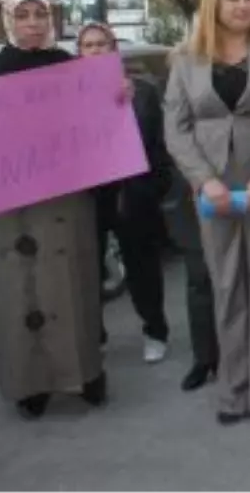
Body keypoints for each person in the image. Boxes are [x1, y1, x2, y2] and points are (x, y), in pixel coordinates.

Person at [0, 0, 108, 419]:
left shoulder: (68, 67)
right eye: (23, 15)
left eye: (40, 15)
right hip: (15, 201)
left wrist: (114, 96)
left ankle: (84, 373)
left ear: (50, 20)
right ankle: (31, 384)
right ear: (8, 19)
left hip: (67, 196)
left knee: (74, 283)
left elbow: (94, 123)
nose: (32, 23)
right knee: (21, 289)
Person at [163, 0, 250, 427]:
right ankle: (232, 392)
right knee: (226, 287)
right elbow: (175, 129)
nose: (243, 5)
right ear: (213, 5)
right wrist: (204, 179)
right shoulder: (185, 60)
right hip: (212, 189)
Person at [77, 22, 173, 364]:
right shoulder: (69, 96)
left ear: (114, 49)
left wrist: (153, 190)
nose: (96, 50)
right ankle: (95, 336)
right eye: (88, 45)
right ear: (80, 53)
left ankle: (155, 330)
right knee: (88, 270)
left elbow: (159, 146)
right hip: (90, 196)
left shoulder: (142, 92)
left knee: (142, 268)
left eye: (102, 44)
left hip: (132, 194)